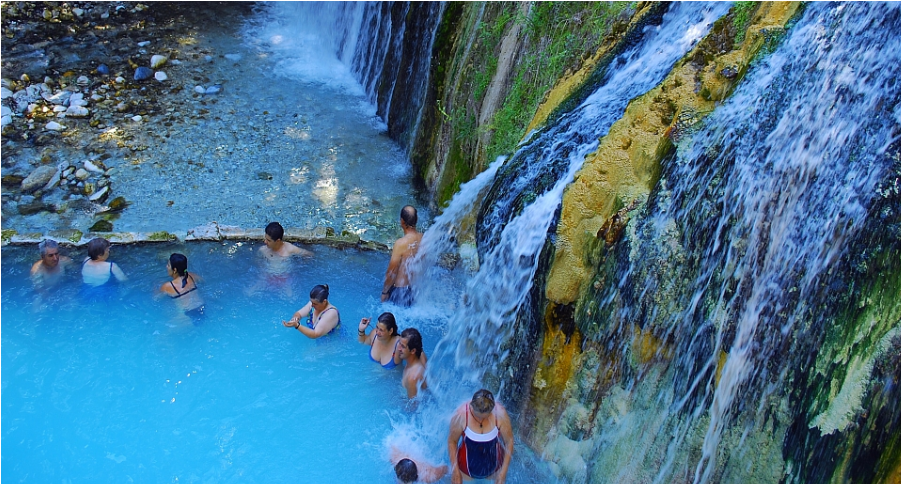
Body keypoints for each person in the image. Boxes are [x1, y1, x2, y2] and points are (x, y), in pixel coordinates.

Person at [448, 389, 514, 484]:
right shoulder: (461, 415)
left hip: (494, 471)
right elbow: (452, 442)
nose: (480, 420)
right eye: (477, 416)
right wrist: (455, 471)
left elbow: (509, 441)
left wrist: (503, 473)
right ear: (471, 406)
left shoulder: (500, 414)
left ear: (492, 410)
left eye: (485, 417)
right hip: (465, 472)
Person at [254, 222, 313, 296]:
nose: (265, 242)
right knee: (249, 293)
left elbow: (309, 255)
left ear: (278, 241)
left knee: (291, 298)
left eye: (268, 240)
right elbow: (257, 261)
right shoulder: (263, 250)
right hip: (267, 276)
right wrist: (262, 270)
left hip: (285, 278)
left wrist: (299, 266)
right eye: (265, 238)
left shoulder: (290, 249)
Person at [381, 205, 422, 306]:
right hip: (416, 290)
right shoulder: (423, 238)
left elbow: (391, 272)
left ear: (402, 221)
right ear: (416, 219)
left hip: (400, 292)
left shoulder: (400, 243)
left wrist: (385, 292)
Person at [159, 253, 205, 321]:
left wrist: (155, 285)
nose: (166, 266)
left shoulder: (167, 286)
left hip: (186, 315)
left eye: (168, 265)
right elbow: (203, 282)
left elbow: (156, 298)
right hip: (202, 308)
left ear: (174, 270)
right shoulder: (192, 276)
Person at [399, 328, 427, 398]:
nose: (398, 348)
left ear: (413, 351)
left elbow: (413, 404)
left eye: (403, 347)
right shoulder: (421, 355)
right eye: (399, 344)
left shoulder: (412, 378)